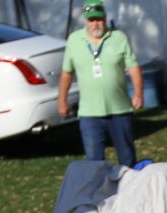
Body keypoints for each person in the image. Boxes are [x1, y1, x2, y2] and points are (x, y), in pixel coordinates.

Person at [57, 0, 144, 165]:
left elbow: (134, 68)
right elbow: (67, 73)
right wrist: (62, 100)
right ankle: (98, 191)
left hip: (120, 110)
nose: (96, 23)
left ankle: (130, 189)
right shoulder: (74, 40)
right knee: (94, 162)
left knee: (127, 158)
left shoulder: (118, 37)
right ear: (85, 20)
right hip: (89, 114)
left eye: (99, 19)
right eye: (92, 20)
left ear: (105, 17)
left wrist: (138, 93)